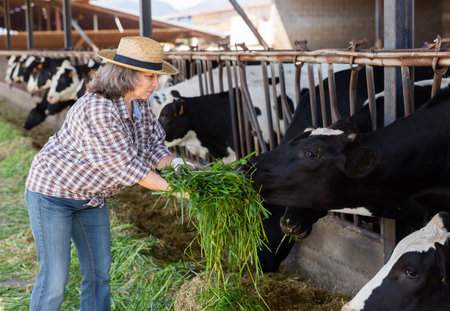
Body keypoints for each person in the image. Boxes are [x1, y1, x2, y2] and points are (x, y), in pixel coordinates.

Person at [25, 36, 193, 311]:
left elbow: (152, 147)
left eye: (157, 76)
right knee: (55, 279)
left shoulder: (138, 104)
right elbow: (130, 169)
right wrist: (178, 190)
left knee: (98, 274)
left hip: (91, 198)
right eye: (149, 76)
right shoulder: (98, 109)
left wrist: (178, 167)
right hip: (52, 195)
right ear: (126, 75)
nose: (156, 84)